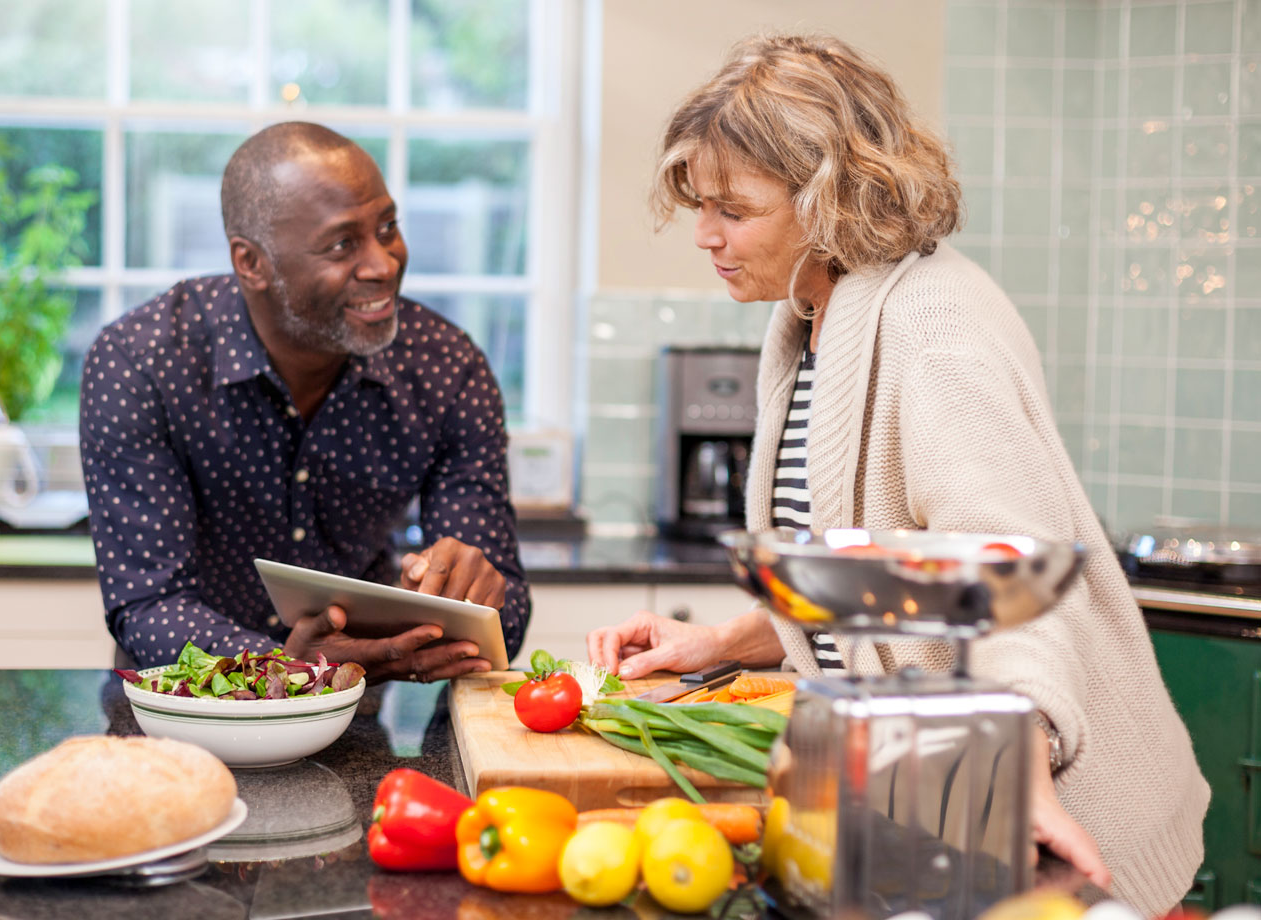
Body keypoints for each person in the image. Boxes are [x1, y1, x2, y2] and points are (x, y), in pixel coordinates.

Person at [587, 34, 1207, 915]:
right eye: (699, 204)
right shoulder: (814, 316)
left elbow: (1014, 573)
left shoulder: (932, 326)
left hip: (1047, 817)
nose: (704, 235)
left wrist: (1021, 759)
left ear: (826, 196)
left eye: (732, 207)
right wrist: (724, 645)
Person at [80, 121, 528, 683]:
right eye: (343, 244)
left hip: (355, 713)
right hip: (183, 718)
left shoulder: (446, 369)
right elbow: (148, 605)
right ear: (251, 263)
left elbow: (501, 627)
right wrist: (291, 670)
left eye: (387, 227)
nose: (383, 264)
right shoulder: (142, 362)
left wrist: (467, 598)